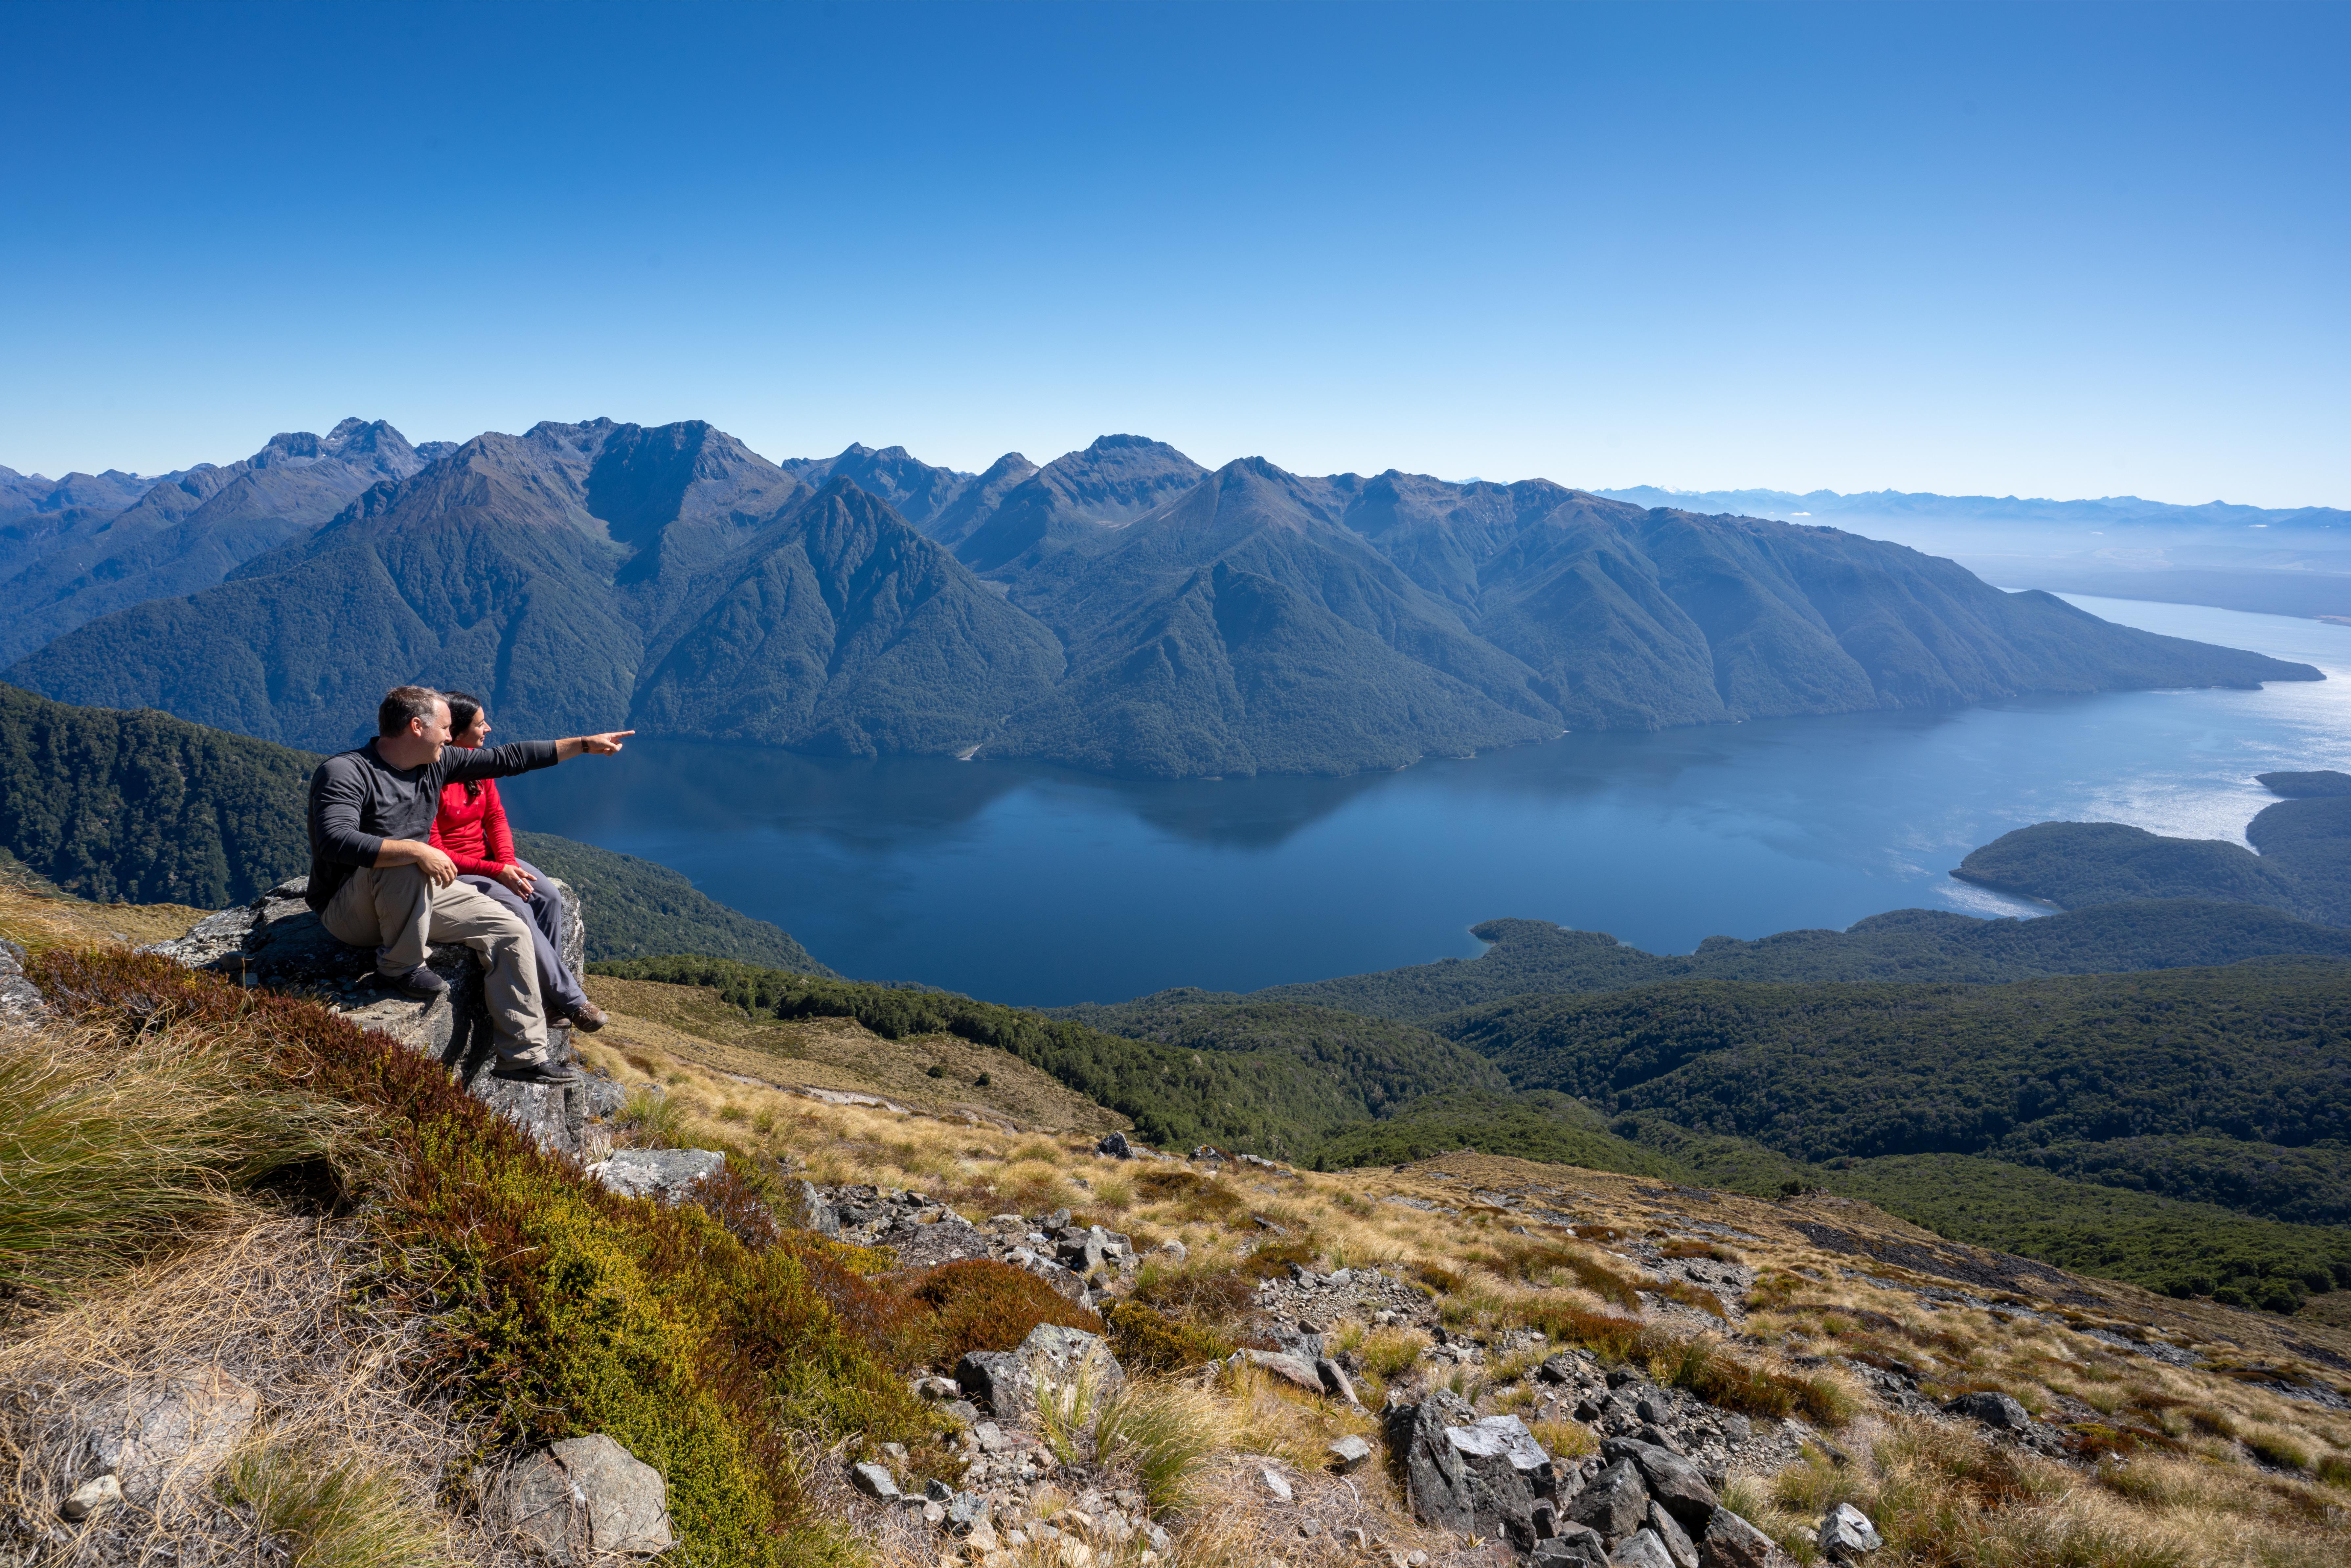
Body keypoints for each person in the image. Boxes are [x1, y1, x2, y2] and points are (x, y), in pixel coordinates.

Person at [306, 684, 632, 1086]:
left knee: (511, 928)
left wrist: (584, 745)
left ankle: (522, 1055)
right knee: (407, 859)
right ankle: (400, 966)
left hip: (415, 894)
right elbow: (333, 840)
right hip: (350, 910)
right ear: (415, 727)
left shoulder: (435, 764)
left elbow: (509, 758)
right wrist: (415, 850)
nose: (450, 736)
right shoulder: (346, 772)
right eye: (444, 728)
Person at [430, 691, 607, 1035]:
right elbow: (437, 851)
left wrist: (509, 864)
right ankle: (572, 1002)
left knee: (548, 896)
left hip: (490, 858)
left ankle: (546, 995)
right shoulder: (431, 777)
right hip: (456, 870)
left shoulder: (476, 765)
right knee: (519, 910)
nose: (489, 729)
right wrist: (499, 872)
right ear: (456, 732)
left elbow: (496, 817)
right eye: (480, 724)